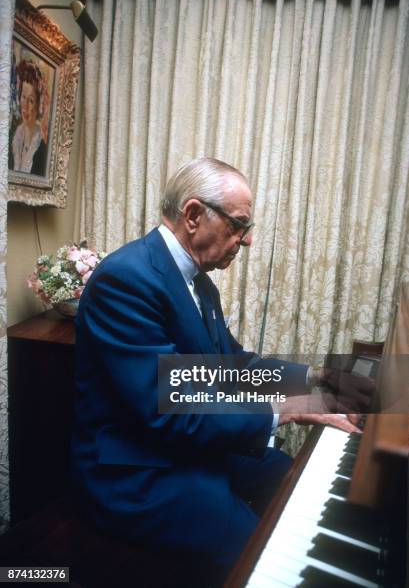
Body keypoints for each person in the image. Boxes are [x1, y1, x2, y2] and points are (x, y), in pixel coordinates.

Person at [71, 158, 363, 584]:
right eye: (239, 225)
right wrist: (287, 410)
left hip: (180, 450)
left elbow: (231, 367)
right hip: (136, 473)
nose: (244, 241)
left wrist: (314, 380)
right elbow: (169, 407)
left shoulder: (199, 280)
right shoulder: (126, 279)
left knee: (293, 480)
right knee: (255, 551)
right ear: (193, 215)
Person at [10, 59, 47, 175]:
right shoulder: (13, 137)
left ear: (38, 105)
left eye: (31, 100)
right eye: (23, 97)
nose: (25, 105)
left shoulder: (41, 148)